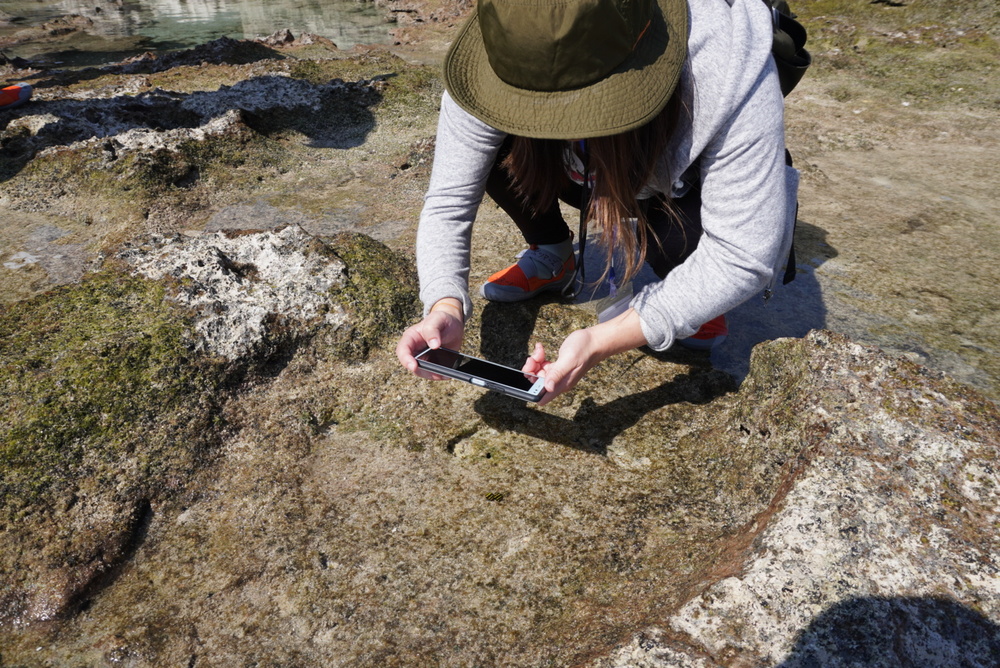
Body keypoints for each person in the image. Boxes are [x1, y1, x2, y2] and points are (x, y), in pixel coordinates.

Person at [396, 0, 798, 407]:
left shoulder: (726, 62)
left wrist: (605, 338)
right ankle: (553, 253)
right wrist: (444, 302)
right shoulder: (514, 38)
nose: (554, 119)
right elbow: (450, 198)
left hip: (675, 191)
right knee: (492, 157)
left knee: (687, 247)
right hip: (575, 172)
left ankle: (687, 282)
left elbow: (744, 252)